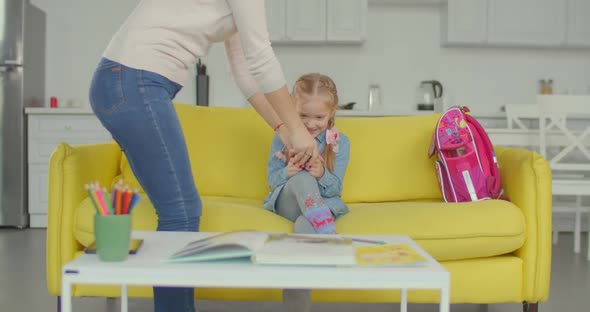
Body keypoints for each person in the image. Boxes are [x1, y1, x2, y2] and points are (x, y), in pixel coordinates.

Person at [88, 1, 317, 311]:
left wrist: (282, 127)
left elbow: (245, 72)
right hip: (134, 82)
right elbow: (262, 59)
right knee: (180, 211)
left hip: (125, 81)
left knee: (181, 210)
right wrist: (296, 128)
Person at [262, 73, 351, 312]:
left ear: (331, 114)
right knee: (301, 177)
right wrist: (288, 172)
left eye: (319, 117)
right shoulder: (282, 138)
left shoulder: (339, 143)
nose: (311, 124)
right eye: (303, 116)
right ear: (292, 111)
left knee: (305, 225)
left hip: (316, 207)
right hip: (289, 203)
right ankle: (327, 232)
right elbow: (272, 181)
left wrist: (321, 173)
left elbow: (336, 189)